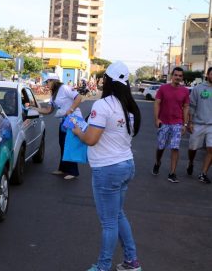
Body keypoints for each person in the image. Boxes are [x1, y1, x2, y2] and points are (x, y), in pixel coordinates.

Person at [72, 61, 142, 271]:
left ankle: (103, 267)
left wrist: (77, 131)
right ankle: (131, 261)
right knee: (118, 215)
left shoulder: (103, 105)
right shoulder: (130, 106)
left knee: (109, 222)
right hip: (126, 165)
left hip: (108, 169)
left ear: (108, 81)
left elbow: (91, 139)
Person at [39, 75, 83, 180]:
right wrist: (34, 108)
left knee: (69, 144)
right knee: (62, 144)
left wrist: (70, 110)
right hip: (64, 120)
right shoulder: (53, 94)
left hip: (73, 119)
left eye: (48, 82)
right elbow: (48, 110)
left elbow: (79, 97)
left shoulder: (65, 88)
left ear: (54, 81)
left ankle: (73, 172)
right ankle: (63, 168)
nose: (46, 84)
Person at [152, 67, 190, 183]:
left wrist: (185, 123)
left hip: (177, 123)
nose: (178, 77)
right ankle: (158, 162)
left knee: (175, 147)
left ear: (182, 78)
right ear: (171, 76)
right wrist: (157, 119)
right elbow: (157, 103)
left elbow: (186, 107)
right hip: (164, 122)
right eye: (176, 75)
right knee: (161, 147)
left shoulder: (185, 91)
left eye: (180, 75)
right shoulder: (163, 88)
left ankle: (172, 173)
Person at [186, 67, 212, 184]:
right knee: (193, 148)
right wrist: (189, 122)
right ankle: (191, 162)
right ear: (207, 75)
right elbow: (191, 106)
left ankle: (203, 173)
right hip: (198, 123)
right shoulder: (198, 88)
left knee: (211, 149)